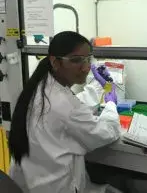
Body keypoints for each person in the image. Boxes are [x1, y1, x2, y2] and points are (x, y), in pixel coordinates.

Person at [8, 31, 121, 193]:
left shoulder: (41, 86)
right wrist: (111, 105)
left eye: (88, 59)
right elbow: (106, 132)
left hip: (31, 184)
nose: (86, 67)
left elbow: (73, 106)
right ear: (55, 62)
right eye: (76, 61)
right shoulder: (63, 104)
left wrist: (101, 86)